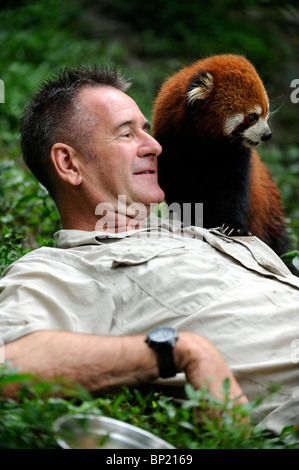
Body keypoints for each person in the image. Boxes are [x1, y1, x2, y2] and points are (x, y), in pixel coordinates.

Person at [1, 65, 299, 435]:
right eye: (127, 133)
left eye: (147, 129)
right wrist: (175, 350)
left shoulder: (194, 224)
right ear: (68, 163)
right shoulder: (68, 268)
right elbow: (9, 366)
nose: (155, 145)